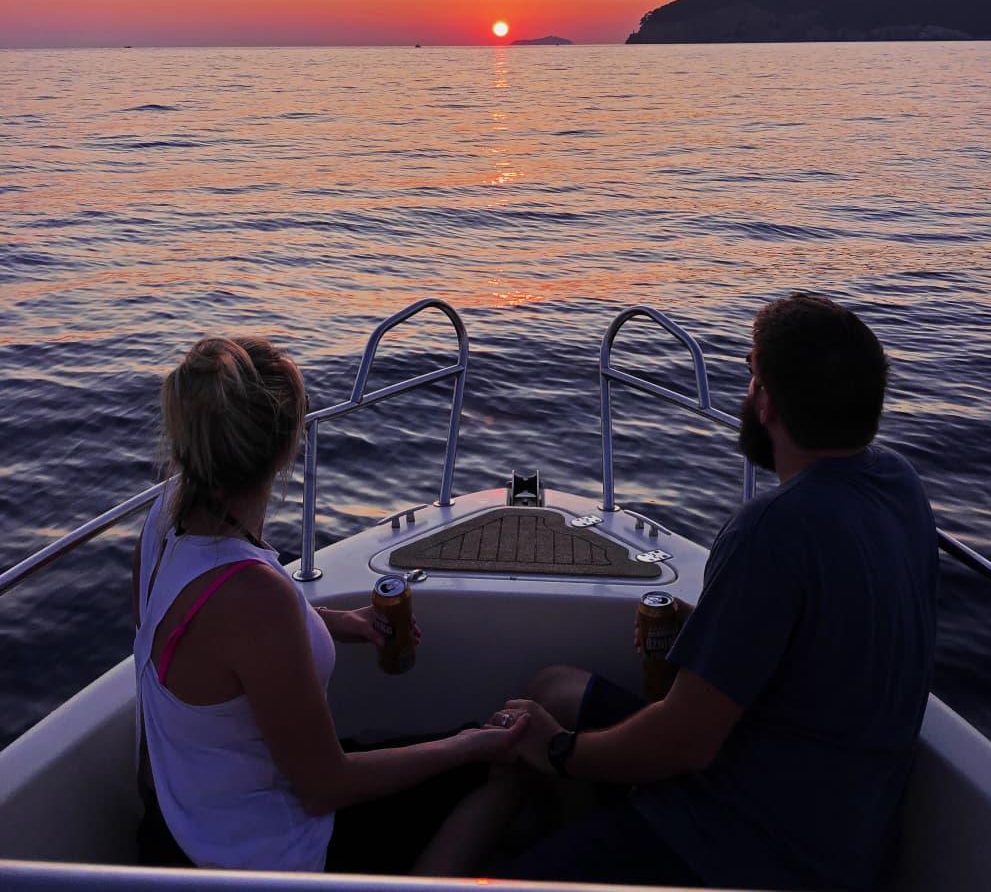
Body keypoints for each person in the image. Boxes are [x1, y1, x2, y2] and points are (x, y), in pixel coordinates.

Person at [490, 293, 939, 890]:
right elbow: (825, 631)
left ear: (769, 403)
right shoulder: (898, 483)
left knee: (514, 854)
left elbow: (685, 742)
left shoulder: (775, 526)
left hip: (746, 845)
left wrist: (560, 752)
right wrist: (711, 625)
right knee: (553, 689)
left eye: (751, 374)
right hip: (839, 818)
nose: (748, 391)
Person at [132, 334, 525, 872]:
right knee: (505, 774)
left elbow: (217, 648)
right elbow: (325, 787)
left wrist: (339, 622)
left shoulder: (162, 527)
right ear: (285, 448)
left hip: (182, 823)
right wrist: (471, 744)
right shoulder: (253, 596)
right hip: (263, 860)